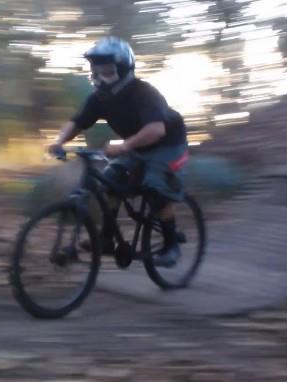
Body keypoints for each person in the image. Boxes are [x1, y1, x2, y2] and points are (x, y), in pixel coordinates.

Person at [48, 37, 189, 267]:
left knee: (156, 189)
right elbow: (77, 122)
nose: (101, 71)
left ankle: (171, 245)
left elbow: (156, 129)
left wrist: (123, 146)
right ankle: (105, 239)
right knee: (110, 183)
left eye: (108, 67)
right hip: (137, 146)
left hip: (168, 144)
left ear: (123, 68)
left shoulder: (144, 93)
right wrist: (59, 142)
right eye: (98, 66)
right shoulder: (99, 98)